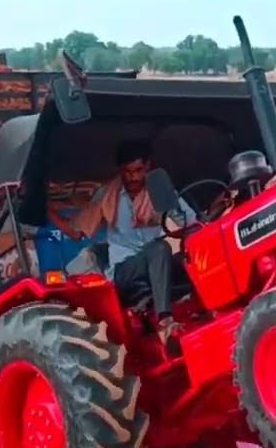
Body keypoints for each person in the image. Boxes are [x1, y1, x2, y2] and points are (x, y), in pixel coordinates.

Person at [50, 140, 196, 342]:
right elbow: (76, 233)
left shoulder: (159, 189)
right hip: (123, 272)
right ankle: (165, 321)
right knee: (159, 248)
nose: (134, 177)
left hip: (156, 265)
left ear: (148, 167)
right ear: (120, 170)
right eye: (128, 172)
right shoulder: (108, 195)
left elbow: (189, 223)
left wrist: (175, 213)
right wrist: (47, 211)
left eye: (138, 170)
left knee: (191, 257)